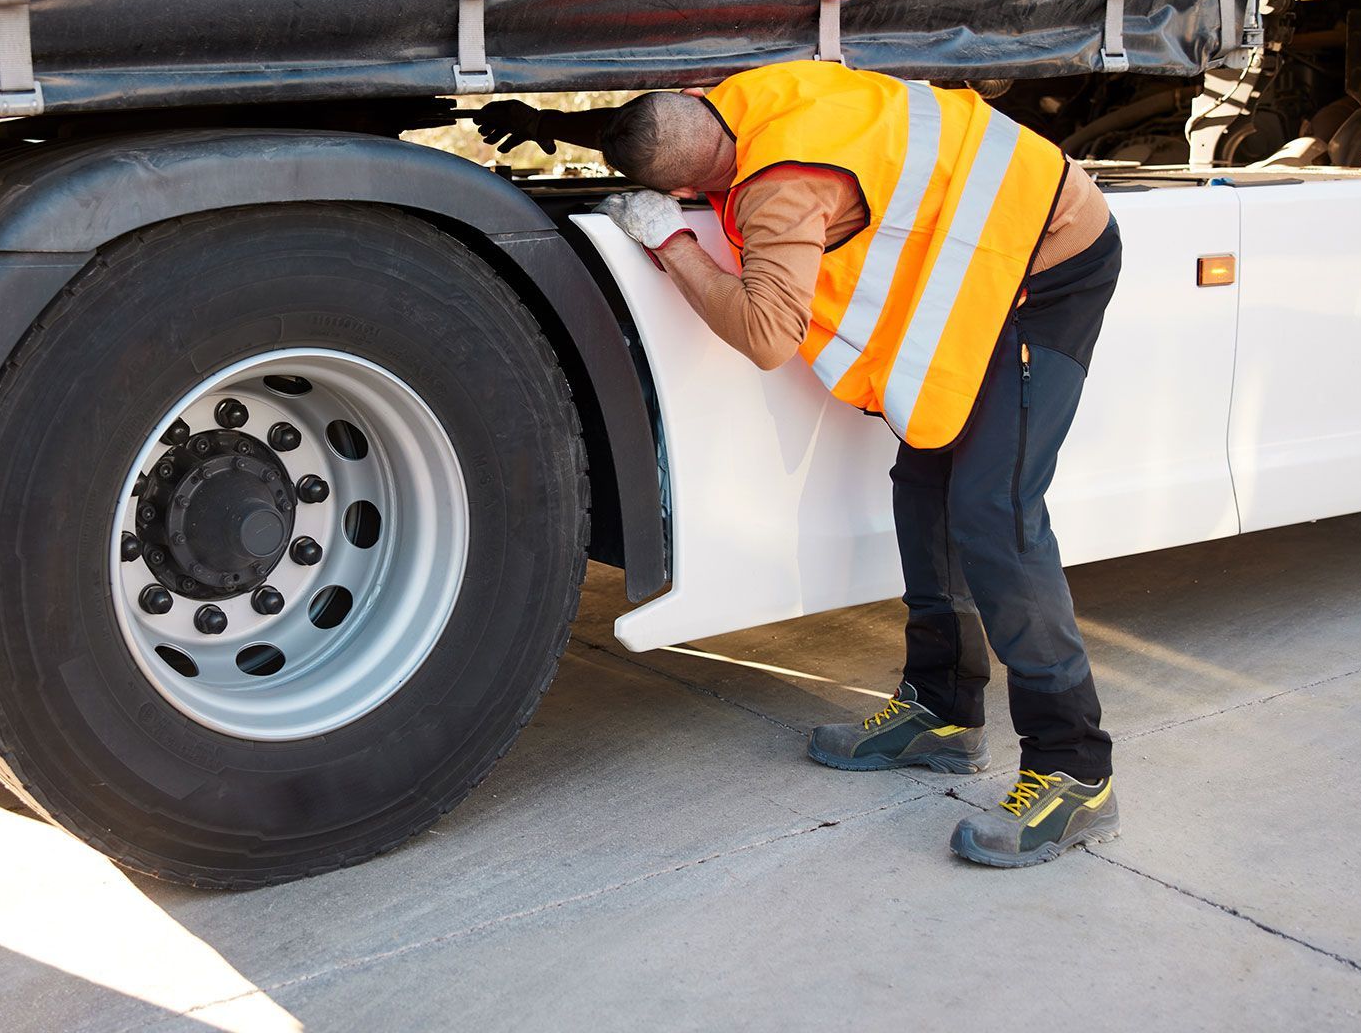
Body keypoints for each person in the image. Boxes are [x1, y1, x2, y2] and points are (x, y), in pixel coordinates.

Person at [474, 62, 1124, 867]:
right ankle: (944, 713)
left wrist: (670, 240)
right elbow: (649, 129)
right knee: (925, 486)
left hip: (1052, 263)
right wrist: (549, 121)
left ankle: (1076, 770)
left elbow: (765, 333)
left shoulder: (779, 192)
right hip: (989, 256)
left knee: (997, 512)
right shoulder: (745, 96)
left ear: (710, 177)